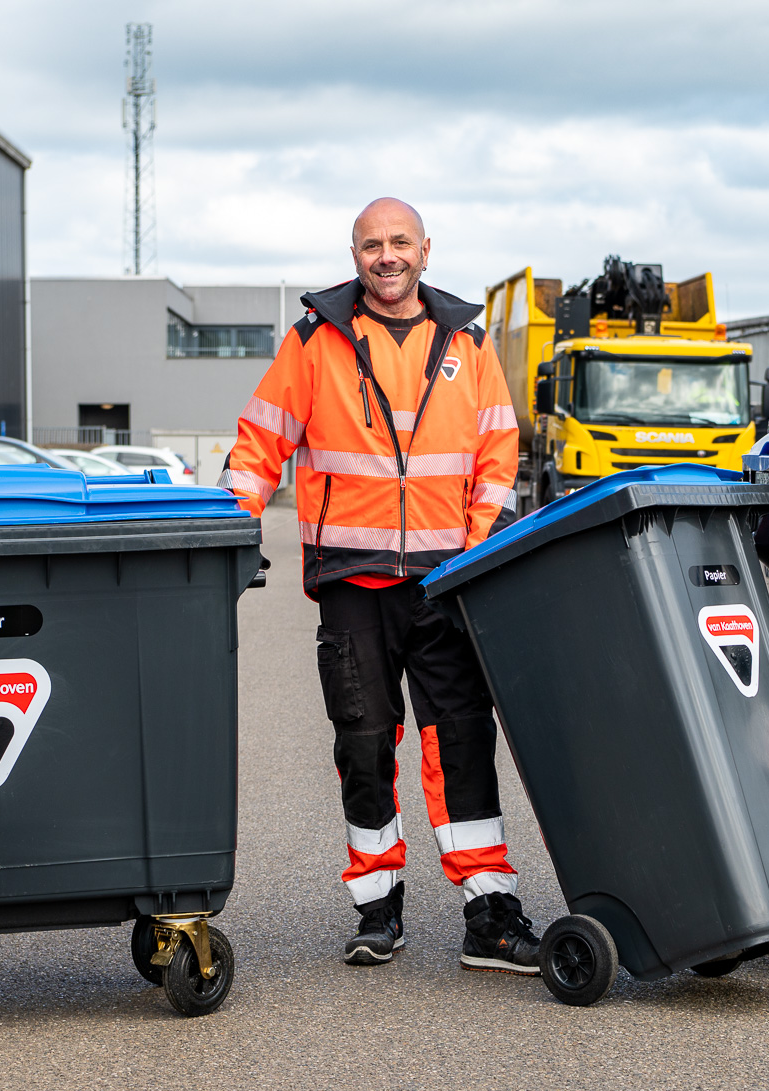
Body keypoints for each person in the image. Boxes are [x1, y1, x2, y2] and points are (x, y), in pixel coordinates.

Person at [220, 198, 540, 973]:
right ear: (354, 254)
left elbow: (498, 453)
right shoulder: (314, 341)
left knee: (462, 742)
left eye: (400, 242)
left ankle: (490, 915)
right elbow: (260, 443)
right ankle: (377, 907)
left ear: (426, 250)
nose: (386, 255)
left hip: (445, 583)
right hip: (351, 584)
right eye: (372, 244)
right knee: (363, 747)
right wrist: (224, 533)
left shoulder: (468, 342)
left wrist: (476, 555)